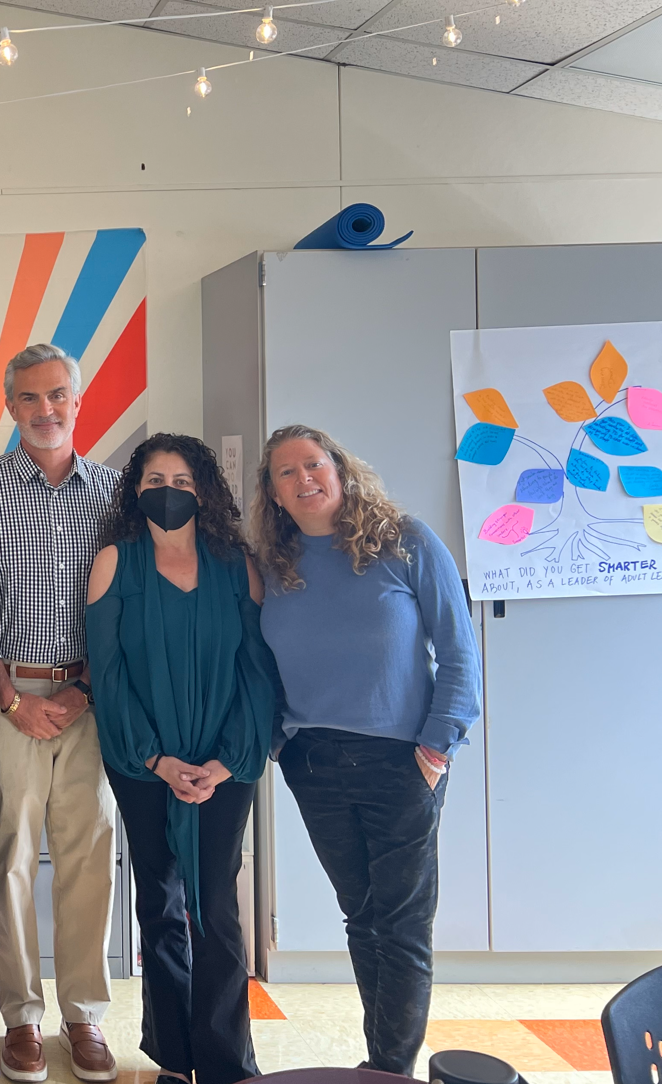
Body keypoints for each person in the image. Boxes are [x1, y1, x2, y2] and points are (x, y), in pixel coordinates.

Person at [252, 424, 480, 1077]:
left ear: (340, 469)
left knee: (401, 925)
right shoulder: (272, 564)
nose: (304, 478)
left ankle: (390, 1068)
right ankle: (381, 1062)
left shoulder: (406, 542)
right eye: (286, 472)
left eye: (313, 464)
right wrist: (280, 744)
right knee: (362, 917)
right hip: (314, 763)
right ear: (273, 492)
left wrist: (436, 749)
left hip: (402, 761)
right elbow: (261, 665)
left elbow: (459, 652)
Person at [0, 343, 122, 1084]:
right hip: (3, 697)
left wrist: (83, 691)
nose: (45, 410)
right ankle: (21, 1016)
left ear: (77, 400)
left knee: (89, 857)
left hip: (90, 699)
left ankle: (84, 1014)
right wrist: (12, 698)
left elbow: (124, 604)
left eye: (58, 396)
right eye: (29, 398)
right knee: (10, 857)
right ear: (11, 405)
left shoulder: (115, 491)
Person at [85, 434, 277, 1084]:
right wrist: (157, 760)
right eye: (154, 479)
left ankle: (226, 1061)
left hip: (226, 763)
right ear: (134, 490)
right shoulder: (114, 562)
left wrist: (227, 761)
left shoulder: (236, 565)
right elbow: (108, 675)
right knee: (160, 901)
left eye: (183, 480)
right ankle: (174, 1054)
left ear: (205, 491)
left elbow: (256, 672)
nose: (168, 490)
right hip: (143, 765)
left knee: (217, 907)